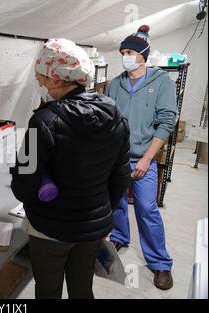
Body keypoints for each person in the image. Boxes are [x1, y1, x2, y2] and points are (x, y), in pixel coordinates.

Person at [11, 38, 131, 299]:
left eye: (42, 76)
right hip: (92, 230)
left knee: (48, 291)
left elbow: (23, 186)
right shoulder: (117, 115)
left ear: (57, 78)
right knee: (82, 288)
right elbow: (121, 176)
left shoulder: (43, 122)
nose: (40, 82)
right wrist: (99, 212)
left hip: (50, 230)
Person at [105, 25, 177, 290]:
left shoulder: (161, 83)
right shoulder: (115, 84)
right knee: (117, 203)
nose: (125, 56)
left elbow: (167, 121)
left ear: (143, 55)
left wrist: (148, 159)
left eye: (131, 52)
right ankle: (120, 237)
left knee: (147, 209)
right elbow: (106, 119)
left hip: (144, 157)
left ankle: (160, 263)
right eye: (123, 51)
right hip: (116, 158)